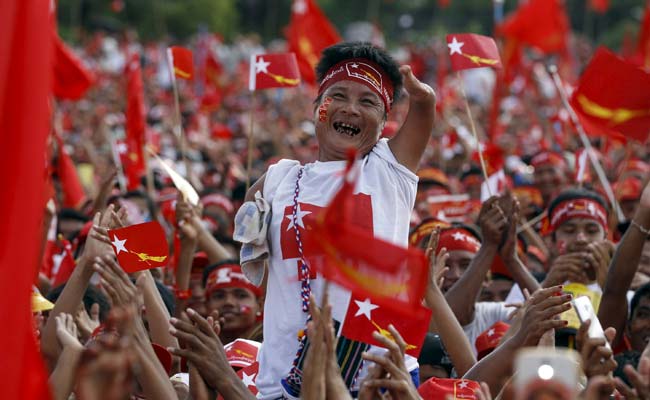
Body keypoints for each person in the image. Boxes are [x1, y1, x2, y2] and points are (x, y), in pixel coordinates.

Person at [234, 41, 436, 399]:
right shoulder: (278, 179)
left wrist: (422, 97)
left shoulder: (389, 170)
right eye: (338, 96)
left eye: (367, 101)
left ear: (386, 120)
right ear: (317, 109)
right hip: (285, 379)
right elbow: (258, 257)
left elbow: (423, 114)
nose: (350, 109)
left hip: (377, 377)